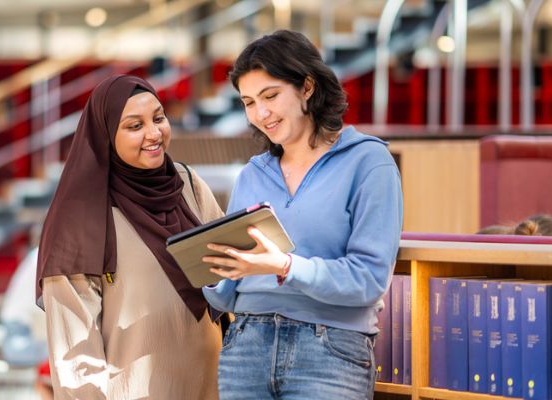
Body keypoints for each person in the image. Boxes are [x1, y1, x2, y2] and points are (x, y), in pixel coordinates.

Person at [200, 30, 403, 399]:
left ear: (307, 87)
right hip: (245, 346)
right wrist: (214, 270)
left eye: (270, 96)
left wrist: (285, 267)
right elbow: (225, 296)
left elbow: (369, 278)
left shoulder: (369, 162)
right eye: (248, 102)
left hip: (330, 349)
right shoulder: (251, 174)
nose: (260, 114)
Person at [36, 74, 224, 399]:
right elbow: (73, 350)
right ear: (107, 135)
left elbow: (229, 274)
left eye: (159, 118)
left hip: (213, 387)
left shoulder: (187, 184)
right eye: (134, 126)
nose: (153, 134)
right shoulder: (82, 215)